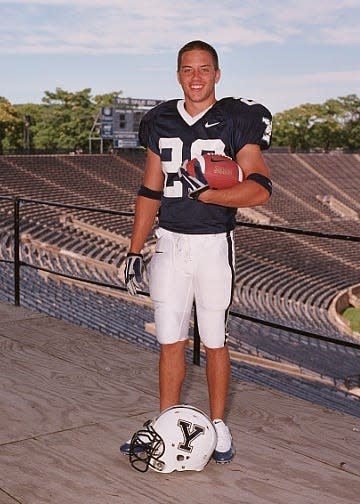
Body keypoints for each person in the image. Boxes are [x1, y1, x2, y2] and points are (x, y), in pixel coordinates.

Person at [120, 40, 272, 464]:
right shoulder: (160, 119)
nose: (196, 77)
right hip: (169, 242)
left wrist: (209, 196)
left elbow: (260, 188)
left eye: (205, 69)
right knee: (170, 339)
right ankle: (168, 425)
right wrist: (135, 248)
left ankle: (219, 425)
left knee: (215, 340)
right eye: (188, 69)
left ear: (217, 74)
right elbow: (150, 188)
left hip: (212, 245)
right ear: (178, 74)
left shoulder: (236, 119)